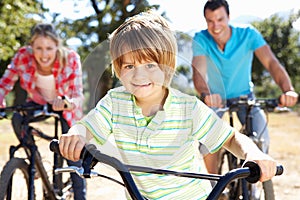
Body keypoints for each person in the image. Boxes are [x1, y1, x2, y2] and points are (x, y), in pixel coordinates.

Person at [58, 10, 278, 199]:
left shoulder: (188, 108)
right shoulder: (115, 102)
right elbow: (87, 126)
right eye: (129, 66)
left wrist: (253, 153)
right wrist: (76, 134)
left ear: (167, 66)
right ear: (118, 68)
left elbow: (230, 137)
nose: (139, 75)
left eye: (150, 64)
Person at [191, 0, 298, 174]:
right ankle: (215, 186)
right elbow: (198, 72)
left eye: (220, 19)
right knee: (208, 140)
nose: (215, 26)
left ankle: (255, 186)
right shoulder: (201, 39)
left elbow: (271, 63)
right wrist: (206, 93)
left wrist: (288, 90)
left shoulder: (248, 34)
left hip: (245, 96)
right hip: (216, 98)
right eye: (210, 21)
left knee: (261, 137)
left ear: (229, 17)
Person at [0, 23, 86, 199]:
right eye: (38, 48)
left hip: (66, 107)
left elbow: (78, 96)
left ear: (57, 46)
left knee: (72, 154)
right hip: (38, 104)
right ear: (31, 47)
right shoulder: (23, 56)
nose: (44, 54)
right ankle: (35, 160)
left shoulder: (70, 59)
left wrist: (66, 103)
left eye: (49, 48)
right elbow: (4, 84)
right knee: (17, 118)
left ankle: (80, 195)